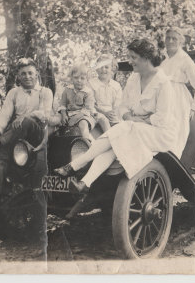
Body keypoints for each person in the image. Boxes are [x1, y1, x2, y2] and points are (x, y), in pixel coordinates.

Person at [54, 39, 176, 194]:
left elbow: (162, 118)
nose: (130, 61)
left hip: (159, 133)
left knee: (124, 127)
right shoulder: (133, 79)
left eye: (133, 57)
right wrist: (130, 117)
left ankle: (74, 165)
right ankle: (85, 183)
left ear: (146, 58)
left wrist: (135, 120)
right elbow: (122, 106)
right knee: (114, 146)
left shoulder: (163, 83)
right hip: (134, 128)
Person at [0, 58, 53, 203]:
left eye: (30, 73)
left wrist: (25, 116)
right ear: (18, 76)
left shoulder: (45, 92)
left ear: (37, 75)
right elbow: (4, 114)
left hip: (37, 133)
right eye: (23, 74)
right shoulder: (14, 93)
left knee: (25, 122)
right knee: (2, 153)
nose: (27, 76)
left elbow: (45, 115)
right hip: (17, 134)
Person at [160, 26, 195, 158]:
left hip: (177, 100)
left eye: (174, 38)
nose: (170, 41)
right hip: (160, 97)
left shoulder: (184, 59)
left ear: (180, 41)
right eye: (168, 38)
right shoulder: (161, 57)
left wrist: (193, 109)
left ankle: (172, 168)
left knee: (175, 135)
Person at [49, 64, 102, 141]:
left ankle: (86, 143)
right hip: (68, 113)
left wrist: (75, 118)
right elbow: (63, 104)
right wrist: (63, 114)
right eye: (76, 77)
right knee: (55, 120)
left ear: (87, 80)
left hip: (83, 115)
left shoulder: (88, 92)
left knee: (83, 124)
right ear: (71, 78)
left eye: (82, 78)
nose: (79, 80)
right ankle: (48, 142)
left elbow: (87, 109)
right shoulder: (67, 90)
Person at [88, 54, 123, 127]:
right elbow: (90, 104)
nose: (103, 69)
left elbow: (118, 105)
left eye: (106, 67)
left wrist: (112, 114)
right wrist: (104, 112)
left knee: (120, 126)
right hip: (96, 113)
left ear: (112, 69)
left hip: (112, 114)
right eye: (101, 67)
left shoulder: (116, 86)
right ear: (97, 68)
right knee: (104, 121)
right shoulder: (91, 84)